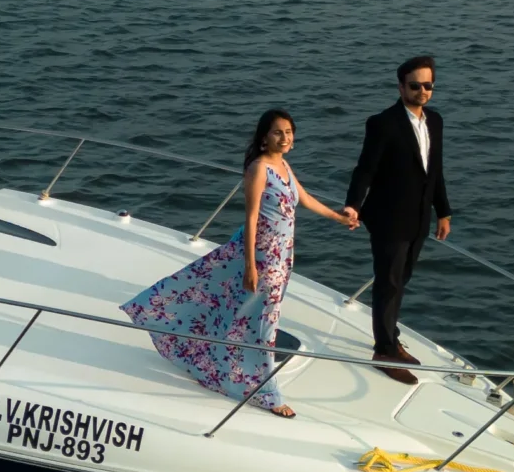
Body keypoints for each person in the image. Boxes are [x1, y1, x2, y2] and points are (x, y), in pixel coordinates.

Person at [121, 109, 358, 418]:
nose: (284, 137)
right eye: (277, 132)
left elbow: (305, 199)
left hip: (283, 256)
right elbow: (251, 217)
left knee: (243, 314)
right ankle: (267, 393)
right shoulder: (259, 169)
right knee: (264, 322)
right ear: (264, 138)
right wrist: (250, 266)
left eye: (288, 132)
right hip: (263, 257)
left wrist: (339, 218)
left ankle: (218, 364)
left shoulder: (283, 165)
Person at [341, 56, 451, 386]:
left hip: (418, 218)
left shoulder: (435, 121)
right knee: (388, 284)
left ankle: (391, 336)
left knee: (401, 279)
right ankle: (384, 351)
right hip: (388, 217)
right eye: (415, 85)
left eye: (428, 85)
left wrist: (443, 211)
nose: (422, 91)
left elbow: (435, 171)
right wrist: (352, 205)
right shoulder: (383, 123)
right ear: (401, 87)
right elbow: (365, 169)